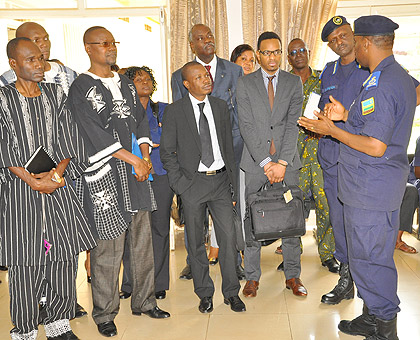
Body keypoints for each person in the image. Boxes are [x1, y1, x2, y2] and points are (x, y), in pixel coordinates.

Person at [298, 15, 417, 340]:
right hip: (376, 186)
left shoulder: (381, 82)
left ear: (364, 43)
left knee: (369, 260)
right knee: (372, 257)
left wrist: (331, 129)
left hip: (370, 187)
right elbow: (378, 120)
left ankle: (384, 328)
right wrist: (346, 114)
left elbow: (375, 145)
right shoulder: (395, 76)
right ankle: (372, 316)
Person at [67, 26, 169, 338]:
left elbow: (139, 122)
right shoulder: (81, 88)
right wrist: (134, 159)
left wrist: (144, 154)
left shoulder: (124, 82)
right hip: (105, 178)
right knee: (108, 250)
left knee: (142, 243)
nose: (111, 48)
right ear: (88, 48)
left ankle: (145, 300)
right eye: (104, 44)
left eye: (114, 43)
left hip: (136, 174)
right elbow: (94, 134)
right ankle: (105, 313)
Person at [0, 37, 96, 340]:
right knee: (25, 262)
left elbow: (69, 138)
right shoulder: (2, 99)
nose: (39, 65)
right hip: (19, 191)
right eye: (31, 60)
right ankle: (26, 330)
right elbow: (2, 146)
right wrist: (32, 180)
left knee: (62, 258)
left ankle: (58, 325)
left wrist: (56, 175)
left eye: (41, 58)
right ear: (13, 64)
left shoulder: (57, 94)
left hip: (57, 187)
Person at [160, 61, 246, 313]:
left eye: (206, 75)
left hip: (219, 181)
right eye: (198, 77)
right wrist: (181, 185)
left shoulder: (220, 107)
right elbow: (167, 153)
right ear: (187, 84)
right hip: (192, 184)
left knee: (229, 238)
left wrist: (231, 184)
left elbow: (228, 148)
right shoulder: (175, 111)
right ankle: (204, 293)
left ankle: (231, 293)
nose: (206, 79)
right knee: (196, 242)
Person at [171, 24, 244, 281]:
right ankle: (194, 263)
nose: (207, 41)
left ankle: (234, 263)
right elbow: (180, 119)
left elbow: (240, 114)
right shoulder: (179, 75)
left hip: (227, 154)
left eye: (210, 36)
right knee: (195, 223)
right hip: (195, 166)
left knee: (228, 222)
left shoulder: (234, 71)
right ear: (192, 45)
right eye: (200, 38)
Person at [237, 31, 307, 298]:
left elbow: (292, 125)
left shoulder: (293, 83)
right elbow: (247, 126)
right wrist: (267, 162)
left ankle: (293, 275)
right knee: (253, 219)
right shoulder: (245, 84)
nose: (272, 57)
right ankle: (252, 277)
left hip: (288, 163)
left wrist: (282, 162)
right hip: (256, 164)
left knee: (291, 219)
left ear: (281, 53)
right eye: (266, 52)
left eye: (277, 52)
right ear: (258, 55)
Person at [317, 15, 371, 306]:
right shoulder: (328, 71)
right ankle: (346, 280)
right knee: (339, 223)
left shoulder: (372, 65)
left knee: (361, 225)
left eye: (343, 34)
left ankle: (369, 286)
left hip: (361, 161)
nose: (339, 41)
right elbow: (321, 110)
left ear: (353, 34)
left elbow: (410, 91)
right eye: (333, 39)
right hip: (332, 158)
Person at [119, 66, 172, 300]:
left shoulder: (163, 110)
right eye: (138, 78)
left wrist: (153, 143)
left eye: (147, 77)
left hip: (160, 175)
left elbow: (171, 140)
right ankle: (130, 284)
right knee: (133, 232)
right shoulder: (121, 112)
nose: (144, 81)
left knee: (159, 229)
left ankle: (159, 283)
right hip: (132, 177)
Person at [286, 38, 338, 273]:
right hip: (293, 155)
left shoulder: (324, 78)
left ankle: (327, 253)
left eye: (301, 50)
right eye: (293, 52)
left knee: (325, 203)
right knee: (293, 206)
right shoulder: (283, 83)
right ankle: (291, 253)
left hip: (319, 154)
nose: (298, 54)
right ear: (288, 58)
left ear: (308, 52)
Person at [207, 43, 257, 271]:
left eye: (251, 60)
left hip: (251, 156)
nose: (248, 64)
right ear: (233, 64)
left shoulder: (256, 87)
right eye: (243, 59)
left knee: (247, 206)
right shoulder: (223, 89)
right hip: (227, 155)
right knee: (230, 205)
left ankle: (247, 252)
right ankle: (232, 255)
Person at [0, 22, 77, 94]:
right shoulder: (5, 81)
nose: (44, 44)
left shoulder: (69, 74)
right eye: (36, 40)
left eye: (46, 38)